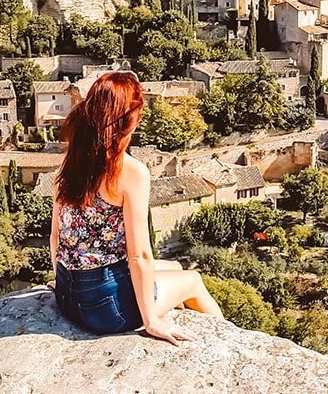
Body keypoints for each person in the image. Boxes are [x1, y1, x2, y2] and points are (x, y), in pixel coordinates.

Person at [50, 71, 223, 345]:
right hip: (105, 309)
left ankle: (163, 304)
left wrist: (64, 283)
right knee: (192, 280)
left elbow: (56, 235)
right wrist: (150, 320)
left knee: (176, 266)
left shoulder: (72, 160)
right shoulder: (130, 171)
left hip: (66, 297)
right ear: (131, 119)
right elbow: (140, 254)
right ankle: (223, 344)